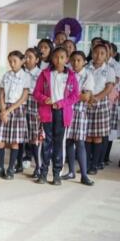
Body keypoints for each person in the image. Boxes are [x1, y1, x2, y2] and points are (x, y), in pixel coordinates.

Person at [32, 47, 80, 185]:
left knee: (59, 144)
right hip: (47, 113)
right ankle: (43, 173)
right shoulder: (45, 74)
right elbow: (36, 93)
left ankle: (57, 174)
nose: (58, 60)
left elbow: (75, 96)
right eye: (56, 57)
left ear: (67, 59)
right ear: (52, 58)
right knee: (46, 142)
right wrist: (44, 99)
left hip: (62, 113)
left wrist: (61, 103)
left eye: (62, 57)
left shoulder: (71, 76)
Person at [0, 51, 29, 179]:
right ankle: (0, 167)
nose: (12, 64)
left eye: (15, 61)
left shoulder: (25, 76)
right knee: (0, 140)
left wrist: (8, 110)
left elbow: (24, 97)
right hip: (4, 109)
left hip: (17, 109)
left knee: (14, 142)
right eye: (10, 61)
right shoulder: (6, 75)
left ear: (22, 61)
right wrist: (3, 110)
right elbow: (1, 94)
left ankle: (11, 169)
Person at [61, 51, 93, 185]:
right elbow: (62, 92)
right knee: (68, 141)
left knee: (80, 143)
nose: (75, 63)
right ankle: (71, 171)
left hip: (80, 112)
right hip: (67, 111)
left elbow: (86, 97)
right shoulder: (67, 74)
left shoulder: (87, 75)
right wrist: (76, 94)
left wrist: (71, 95)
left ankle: (84, 175)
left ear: (84, 62)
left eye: (79, 60)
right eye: (73, 60)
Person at [84, 43, 115, 174]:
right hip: (86, 102)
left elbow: (109, 87)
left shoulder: (109, 69)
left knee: (97, 137)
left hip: (101, 104)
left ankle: (94, 165)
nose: (98, 56)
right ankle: (86, 164)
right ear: (92, 53)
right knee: (87, 135)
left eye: (102, 53)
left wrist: (97, 98)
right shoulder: (86, 67)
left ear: (106, 55)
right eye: (96, 52)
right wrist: (88, 97)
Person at [19, 48, 44, 177]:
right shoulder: (21, 72)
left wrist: (41, 111)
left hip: (35, 105)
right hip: (21, 103)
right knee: (20, 135)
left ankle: (38, 167)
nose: (27, 59)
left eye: (30, 57)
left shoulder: (41, 74)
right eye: (25, 57)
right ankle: (18, 163)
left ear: (37, 60)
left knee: (35, 138)